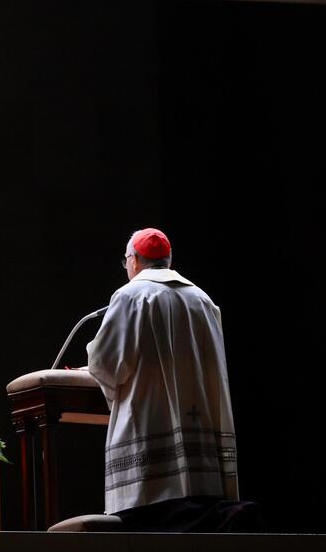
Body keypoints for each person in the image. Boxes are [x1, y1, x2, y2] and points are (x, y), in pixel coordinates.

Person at [86, 228, 259, 532]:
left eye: (126, 261)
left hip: (148, 420)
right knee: (194, 509)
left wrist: (93, 358)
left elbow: (106, 364)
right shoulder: (202, 299)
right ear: (168, 260)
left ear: (134, 261)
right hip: (199, 427)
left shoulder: (130, 296)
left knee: (151, 515)